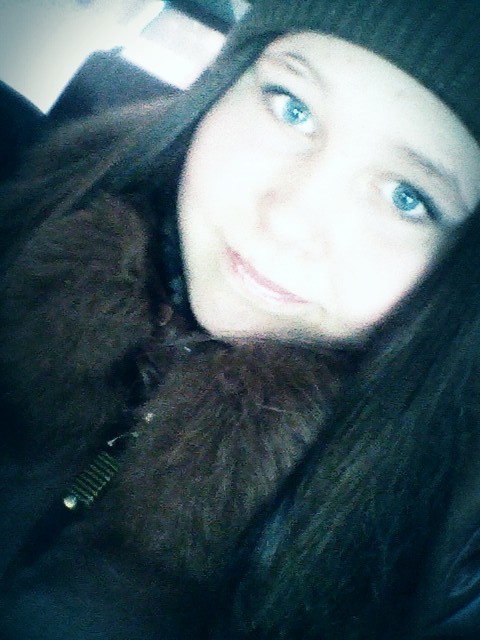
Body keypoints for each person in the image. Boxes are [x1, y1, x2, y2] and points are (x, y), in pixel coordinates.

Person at [0, 0, 480, 637]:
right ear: (224, 85)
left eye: (406, 197)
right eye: (292, 107)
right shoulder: (25, 194)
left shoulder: (432, 558)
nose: (287, 219)